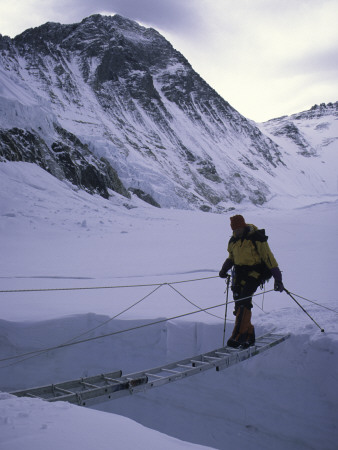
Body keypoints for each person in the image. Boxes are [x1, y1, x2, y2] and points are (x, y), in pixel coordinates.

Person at [219, 214, 284, 349]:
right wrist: (224, 269)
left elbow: (268, 258)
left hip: (254, 274)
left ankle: (238, 336)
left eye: (238, 229)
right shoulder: (233, 241)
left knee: (244, 301)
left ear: (243, 226)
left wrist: (278, 278)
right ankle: (249, 335)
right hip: (238, 275)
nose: (236, 232)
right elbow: (231, 257)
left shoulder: (256, 238)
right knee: (239, 304)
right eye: (234, 230)